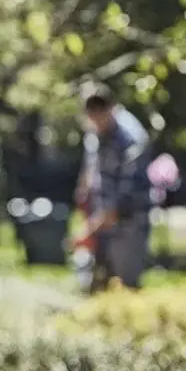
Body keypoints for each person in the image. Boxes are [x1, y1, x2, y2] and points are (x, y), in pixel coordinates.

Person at [72, 82, 153, 291]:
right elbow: (91, 168)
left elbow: (124, 197)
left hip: (129, 221)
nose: (95, 122)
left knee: (126, 283)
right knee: (97, 280)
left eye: (99, 116)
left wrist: (89, 230)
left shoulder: (132, 140)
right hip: (101, 215)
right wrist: (83, 198)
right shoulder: (94, 132)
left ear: (111, 109)